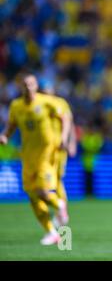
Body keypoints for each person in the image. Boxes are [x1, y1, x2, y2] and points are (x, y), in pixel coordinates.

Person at [0, 73, 70, 245]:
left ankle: (60, 205)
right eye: (25, 84)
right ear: (20, 87)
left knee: (42, 191)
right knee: (32, 195)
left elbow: (66, 117)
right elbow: (11, 125)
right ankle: (52, 232)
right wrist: (5, 136)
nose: (28, 87)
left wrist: (64, 137)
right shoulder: (16, 106)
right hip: (28, 156)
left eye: (31, 84)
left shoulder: (47, 102)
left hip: (47, 154)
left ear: (36, 86)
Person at [39, 79, 77, 226]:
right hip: (44, 149)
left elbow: (70, 124)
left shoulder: (60, 103)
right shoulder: (40, 105)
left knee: (56, 179)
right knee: (48, 182)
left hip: (59, 149)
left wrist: (71, 143)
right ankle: (60, 211)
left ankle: (61, 211)